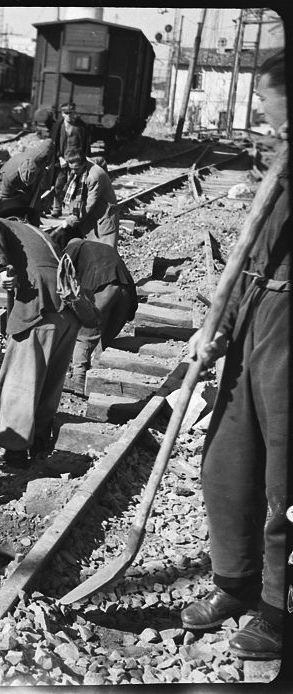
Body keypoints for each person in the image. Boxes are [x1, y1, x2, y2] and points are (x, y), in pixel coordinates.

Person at [180, 50, 288, 661]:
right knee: (226, 459)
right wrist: (215, 322)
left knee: (284, 480)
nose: (272, 124)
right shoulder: (277, 166)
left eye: (278, 109)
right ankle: (236, 581)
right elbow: (251, 258)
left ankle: (278, 609)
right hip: (253, 317)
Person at [0, 201, 81, 467]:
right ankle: (37, 442)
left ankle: (12, 449)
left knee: (19, 381)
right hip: (68, 315)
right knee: (49, 383)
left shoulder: (2, 224)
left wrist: (1, 268)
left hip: (40, 311)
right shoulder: (43, 236)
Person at [56, 236, 137, 394]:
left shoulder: (74, 247)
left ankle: (78, 378)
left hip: (105, 285)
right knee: (104, 337)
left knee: (86, 332)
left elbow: (62, 278)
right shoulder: (102, 249)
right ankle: (99, 379)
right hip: (126, 290)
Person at [60, 152, 120, 248]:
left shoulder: (94, 176)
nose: (73, 172)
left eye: (76, 169)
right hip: (90, 218)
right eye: (71, 169)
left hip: (103, 218)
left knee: (105, 252)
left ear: (83, 164)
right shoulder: (81, 169)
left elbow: (88, 205)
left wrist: (70, 221)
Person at [49, 102, 91, 217]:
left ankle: (74, 210)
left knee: (77, 186)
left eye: (71, 113)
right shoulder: (58, 126)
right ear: (62, 114)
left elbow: (86, 145)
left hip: (77, 160)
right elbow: (54, 144)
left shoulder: (81, 127)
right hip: (62, 160)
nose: (69, 115)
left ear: (75, 113)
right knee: (58, 185)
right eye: (66, 113)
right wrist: (59, 157)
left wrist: (84, 160)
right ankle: (57, 208)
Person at [0, 139, 55, 219]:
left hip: (30, 171)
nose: (27, 185)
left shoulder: (38, 163)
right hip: (5, 175)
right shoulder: (9, 177)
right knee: (10, 202)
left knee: (33, 200)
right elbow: (5, 198)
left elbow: (35, 192)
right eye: (26, 182)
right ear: (20, 173)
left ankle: (33, 220)